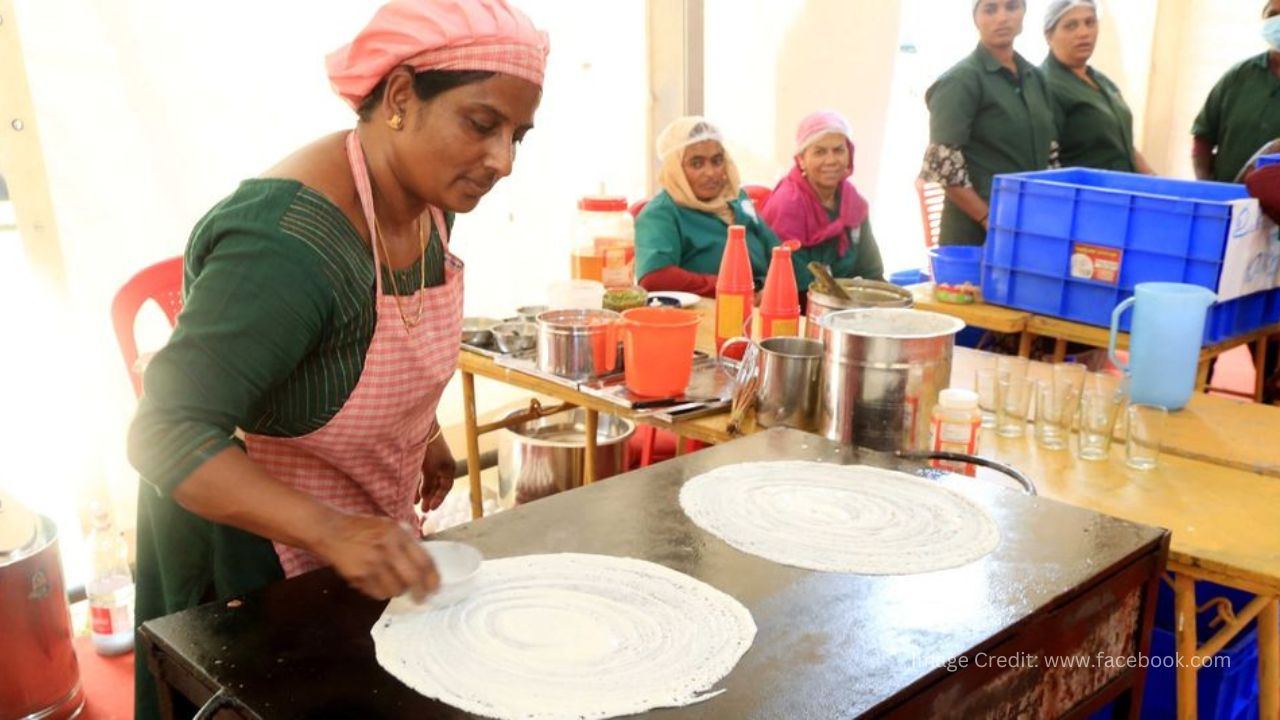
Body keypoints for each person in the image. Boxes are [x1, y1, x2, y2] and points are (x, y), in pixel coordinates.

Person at [125, 1, 547, 717]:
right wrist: (331, 530)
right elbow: (163, 432)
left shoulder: (427, 195)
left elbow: (372, 343)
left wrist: (422, 434)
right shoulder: (292, 244)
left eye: (518, 135)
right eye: (481, 124)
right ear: (402, 96)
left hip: (350, 532)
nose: (502, 161)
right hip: (248, 560)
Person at [921, 0, 1059, 246]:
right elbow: (944, 167)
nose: (1002, 17)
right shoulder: (961, 81)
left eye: (1011, 7)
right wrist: (989, 219)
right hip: (974, 235)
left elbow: (1049, 155)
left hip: (1027, 228)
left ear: (1024, 13)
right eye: (990, 9)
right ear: (976, 18)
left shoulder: (1035, 78)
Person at [635, 116, 778, 297]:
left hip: (763, 300)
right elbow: (655, 277)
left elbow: (773, 246)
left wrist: (775, 286)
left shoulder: (736, 198)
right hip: (708, 311)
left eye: (717, 161)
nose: (710, 173)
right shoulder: (661, 213)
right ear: (675, 169)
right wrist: (731, 288)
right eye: (697, 163)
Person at [761, 110, 885, 293]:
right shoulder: (787, 205)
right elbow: (797, 283)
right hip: (801, 308)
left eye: (838, 150)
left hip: (848, 304)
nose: (831, 160)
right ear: (801, 160)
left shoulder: (852, 202)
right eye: (820, 152)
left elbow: (872, 271)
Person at [1041, 0, 1154, 174]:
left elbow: (1124, 147)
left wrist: (1155, 184)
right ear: (1049, 35)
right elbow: (1045, 162)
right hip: (1083, 196)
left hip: (1122, 191)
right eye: (1071, 26)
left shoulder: (1103, 82)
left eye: (1090, 22)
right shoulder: (1045, 85)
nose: (1083, 33)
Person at [1192, 0, 1280, 184]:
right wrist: (1207, 187)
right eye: (1273, 15)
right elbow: (1203, 136)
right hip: (1230, 202)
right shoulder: (1238, 77)